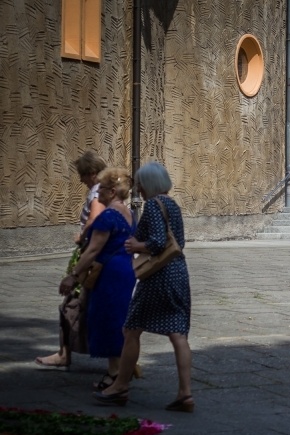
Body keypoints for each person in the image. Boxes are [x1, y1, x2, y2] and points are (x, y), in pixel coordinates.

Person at [94, 162, 194, 412]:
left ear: (148, 184)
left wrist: (136, 247)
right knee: (178, 334)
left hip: (158, 276)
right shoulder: (172, 204)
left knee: (131, 329)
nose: (137, 187)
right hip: (179, 272)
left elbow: (158, 242)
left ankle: (120, 386)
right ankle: (185, 394)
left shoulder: (153, 205)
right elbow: (177, 241)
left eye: (140, 182)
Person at [60, 168, 137, 390]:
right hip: (126, 269)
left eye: (101, 188)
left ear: (112, 191)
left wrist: (73, 276)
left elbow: (93, 251)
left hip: (108, 273)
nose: (98, 192)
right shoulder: (128, 213)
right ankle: (120, 371)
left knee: (106, 319)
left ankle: (114, 375)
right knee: (118, 318)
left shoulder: (107, 216)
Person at [35, 150, 106, 370]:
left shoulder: (96, 192)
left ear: (92, 173)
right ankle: (123, 358)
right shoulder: (105, 191)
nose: (80, 179)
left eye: (83, 175)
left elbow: (94, 219)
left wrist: (82, 236)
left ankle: (64, 354)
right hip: (97, 257)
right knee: (92, 305)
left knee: (71, 303)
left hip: (88, 255)